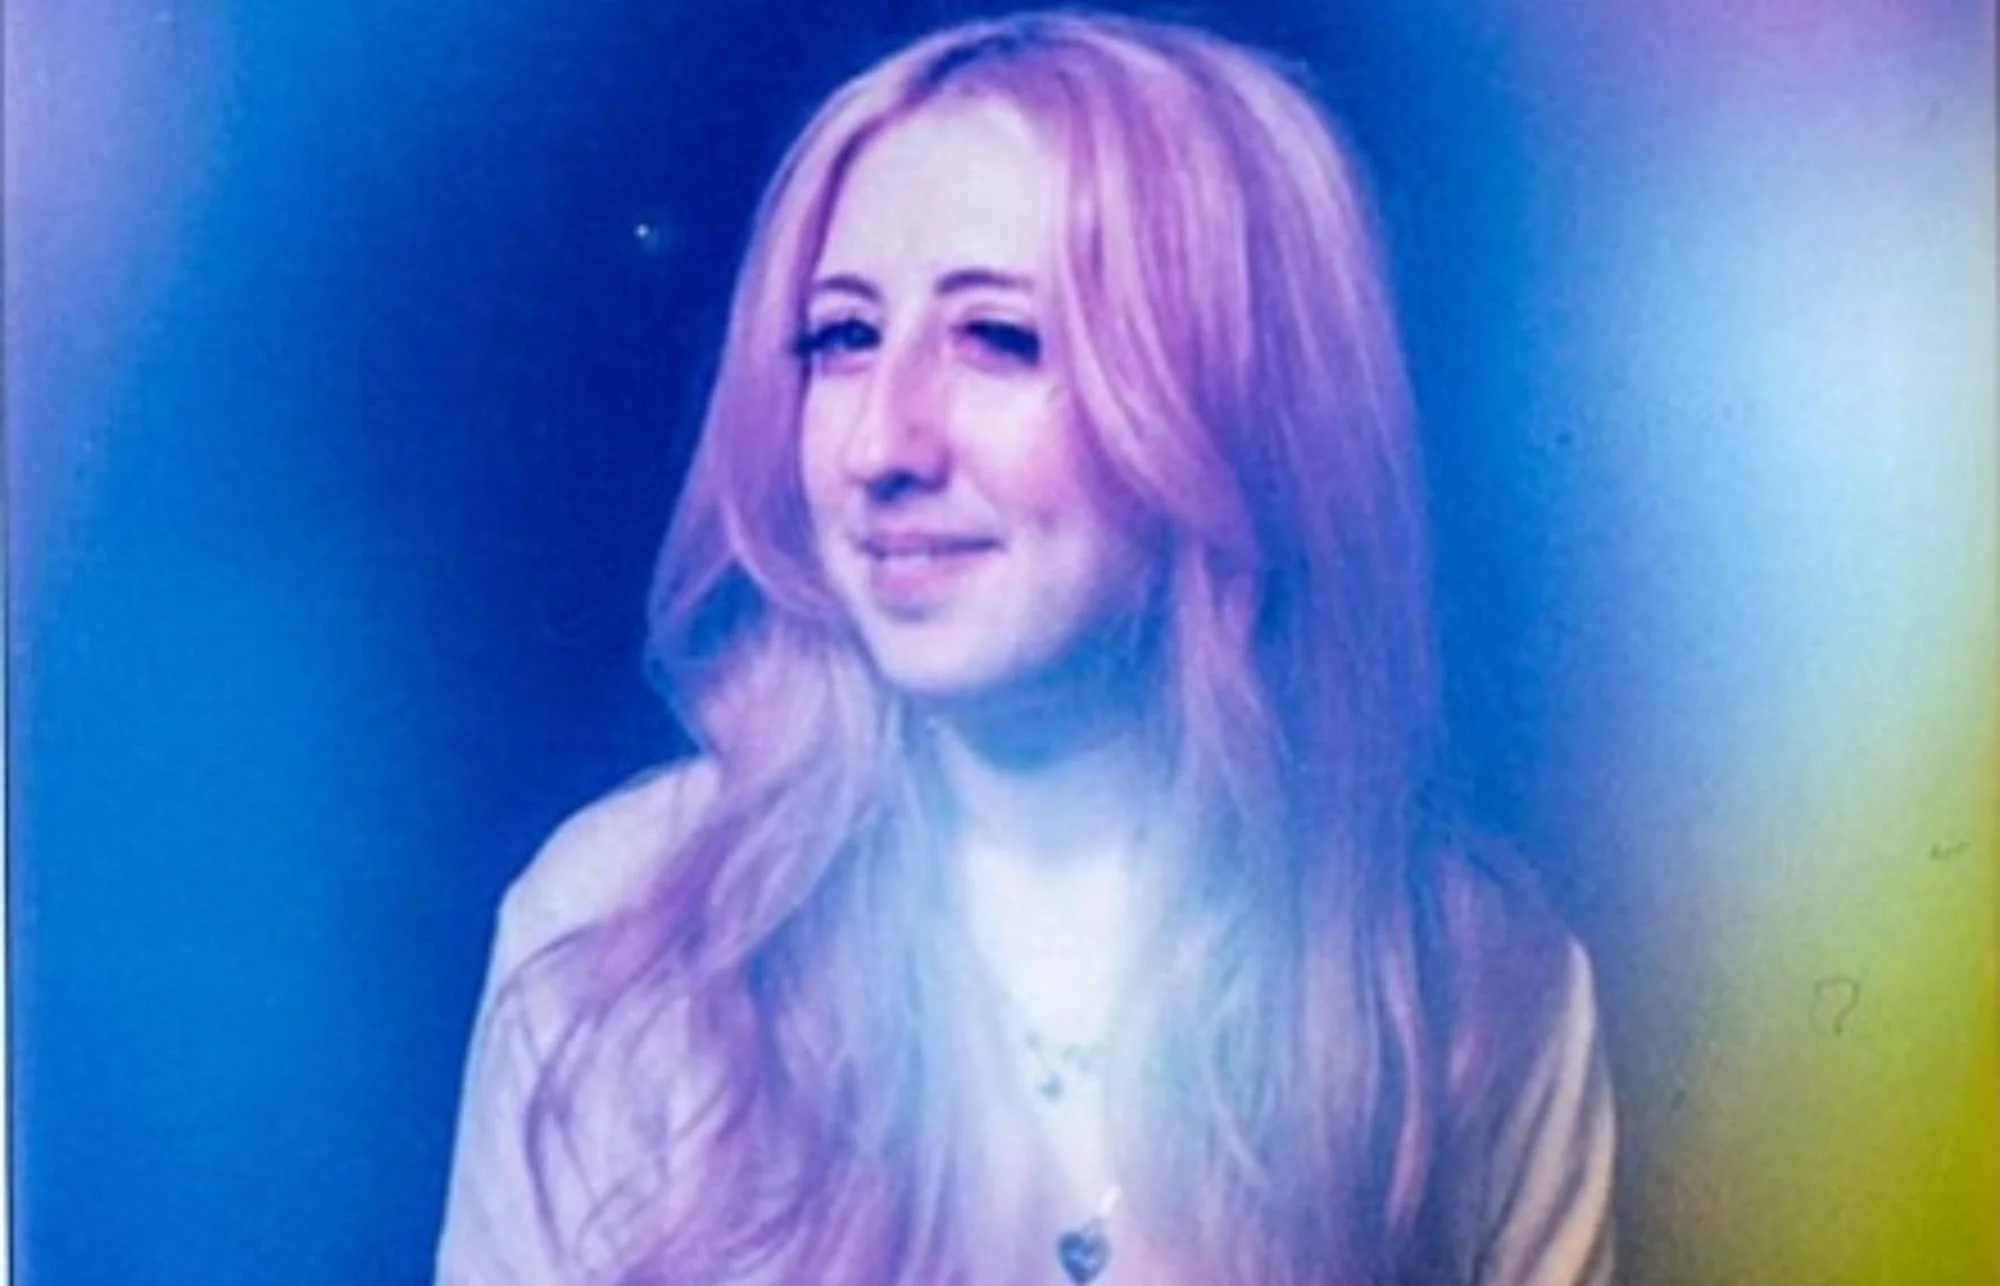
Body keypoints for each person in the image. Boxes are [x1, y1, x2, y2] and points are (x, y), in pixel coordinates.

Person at [435, 10, 1615, 1285]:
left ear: (1234, 398)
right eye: (840, 339)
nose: (881, 446)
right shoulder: (624, 933)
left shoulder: (1466, 991)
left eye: (997, 338)